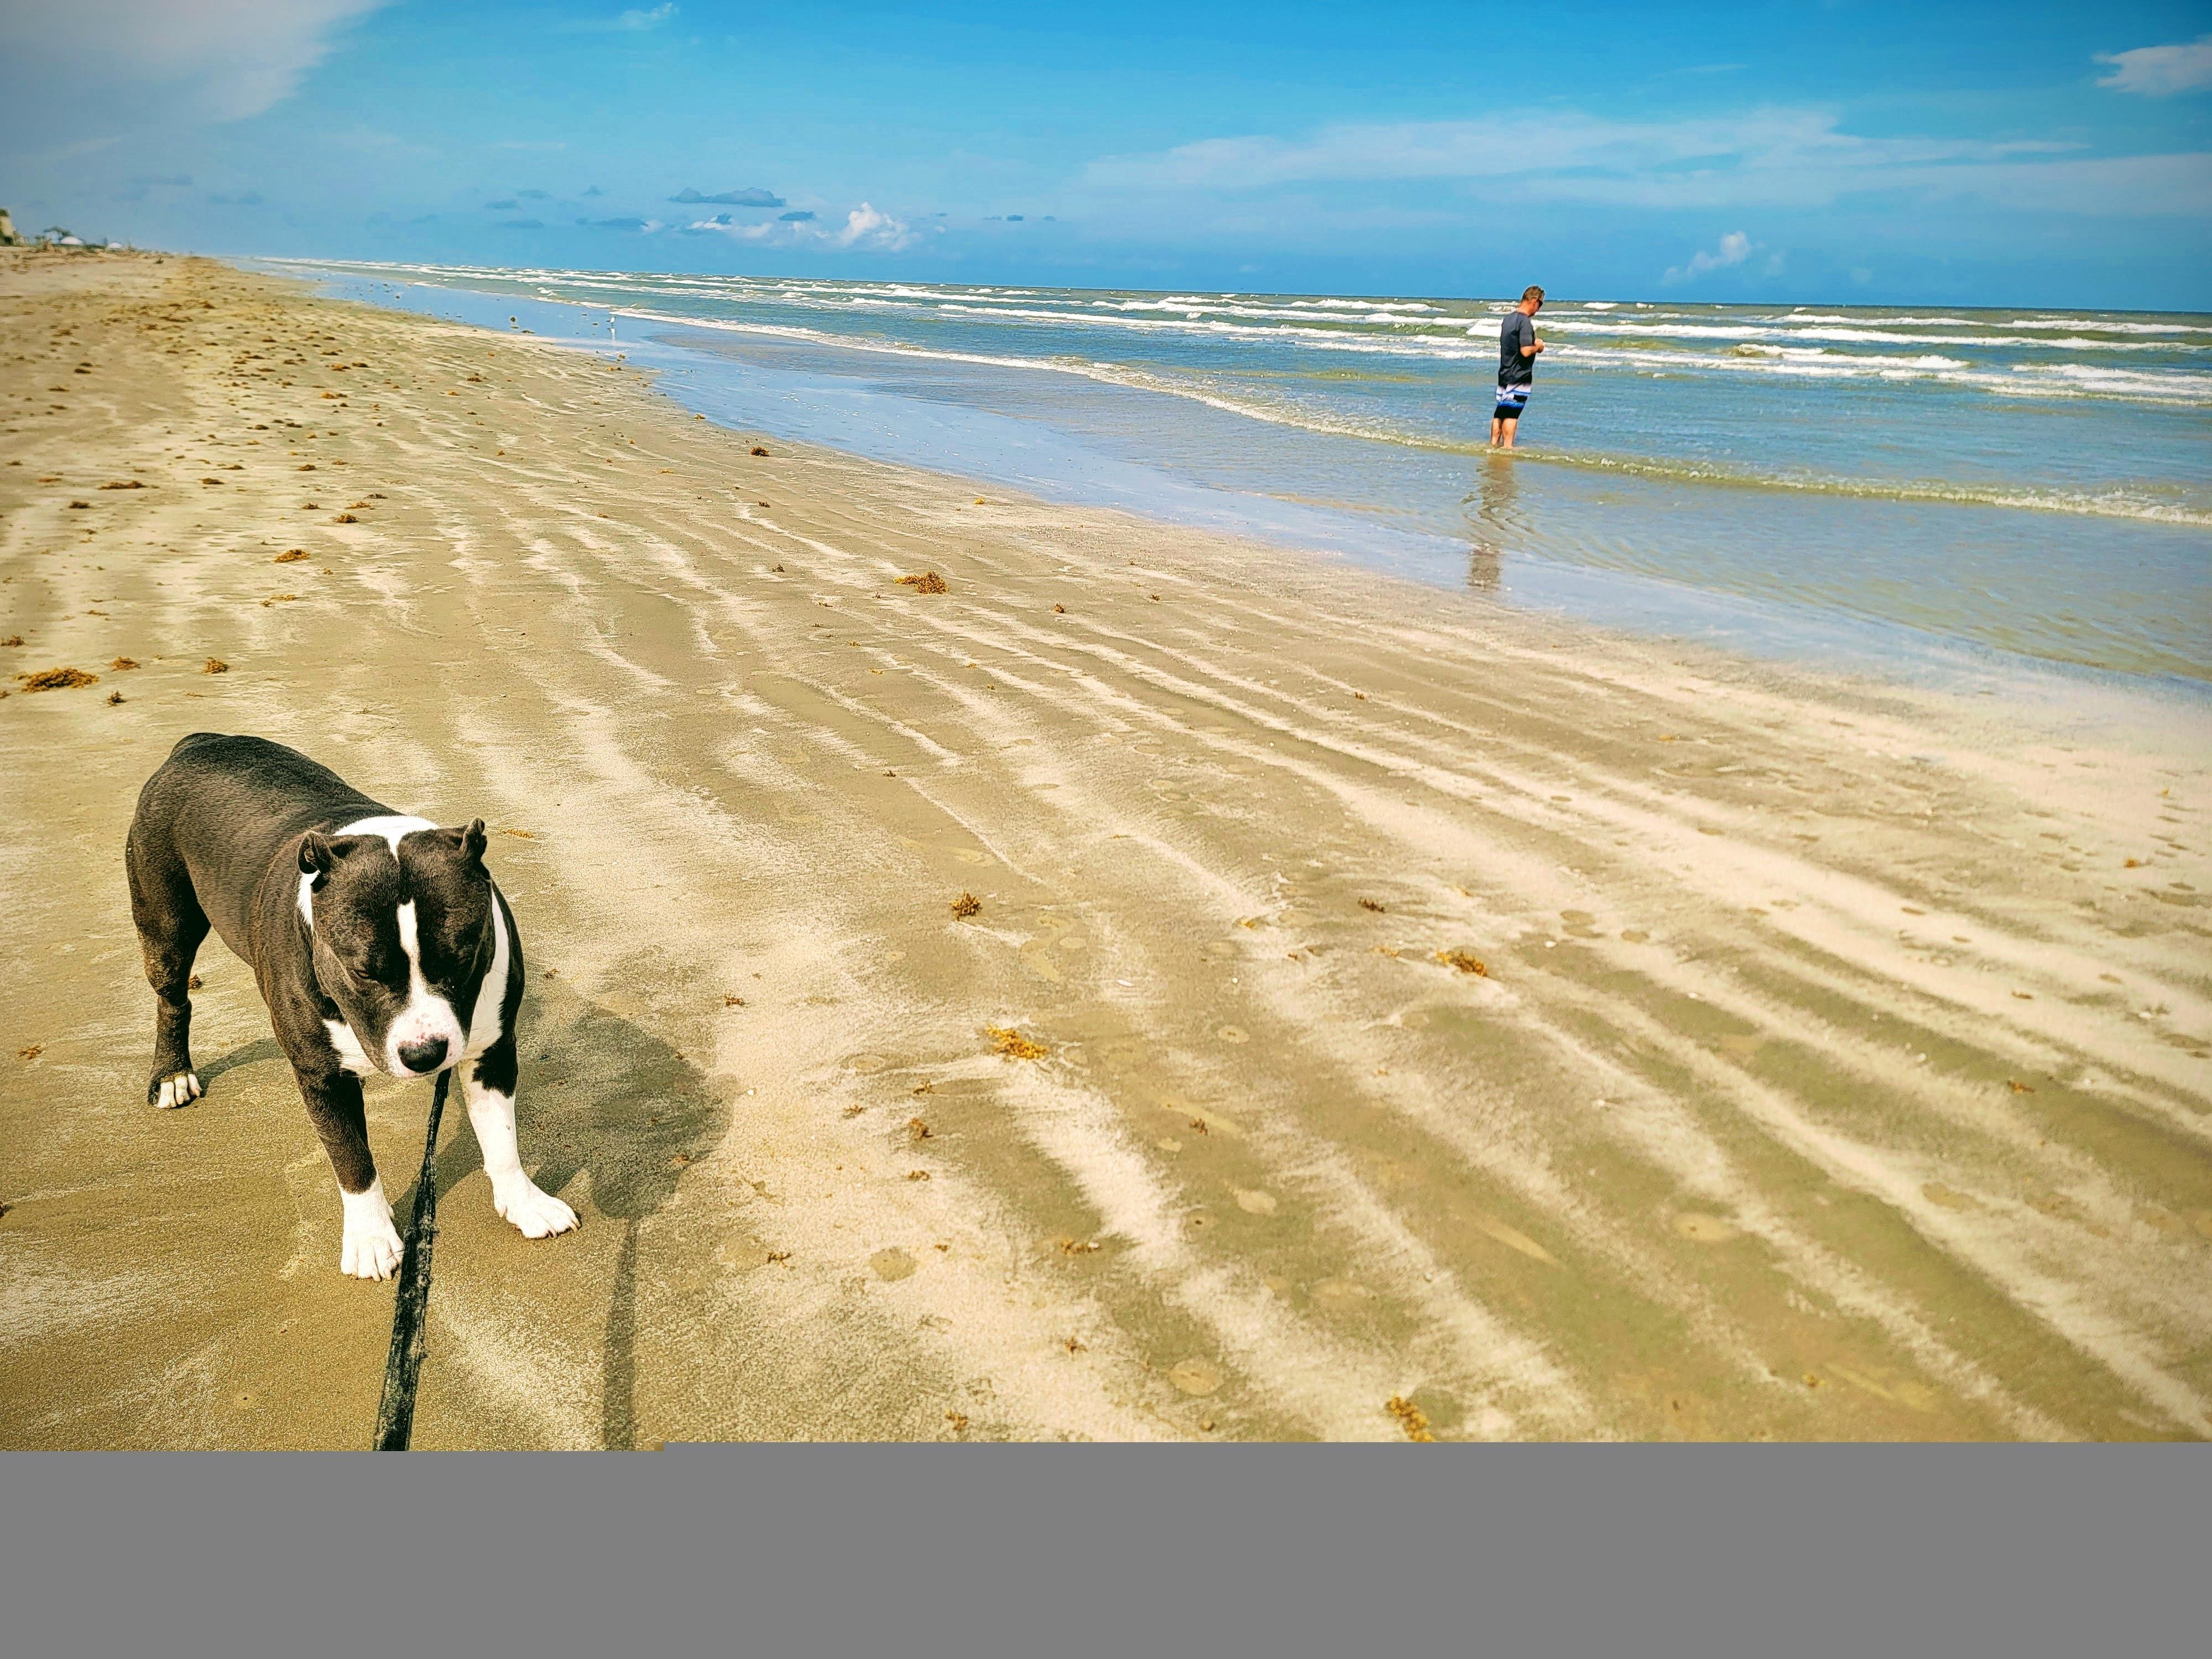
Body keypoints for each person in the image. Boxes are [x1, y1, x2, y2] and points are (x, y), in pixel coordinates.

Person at [1490, 285, 1546, 448]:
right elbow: (1526, 351)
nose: (1539, 309)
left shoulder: (1508, 320)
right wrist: (1538, 347)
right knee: (1512, 414)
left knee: (1500, 412)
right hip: (1519, 375)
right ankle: (1508, 447)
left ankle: (1494, 444)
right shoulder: (1525, 323)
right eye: (1540, 305)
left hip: (1505, 373)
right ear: (1534, 301)